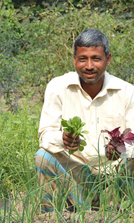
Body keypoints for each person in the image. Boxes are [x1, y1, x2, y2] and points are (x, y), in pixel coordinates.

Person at [35, 29, 134, 212]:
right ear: (74, 60)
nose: (89, 65)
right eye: (82, 59)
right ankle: (54, 213)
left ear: (108, 59)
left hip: (115, 174)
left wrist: (121, 149)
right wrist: (62, 138)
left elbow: (133, 139)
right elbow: (45, 135)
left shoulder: (127, 91)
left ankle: (108, 202)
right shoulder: (58, 87)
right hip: (76, 171)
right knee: (42, 157)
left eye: (96, 58)